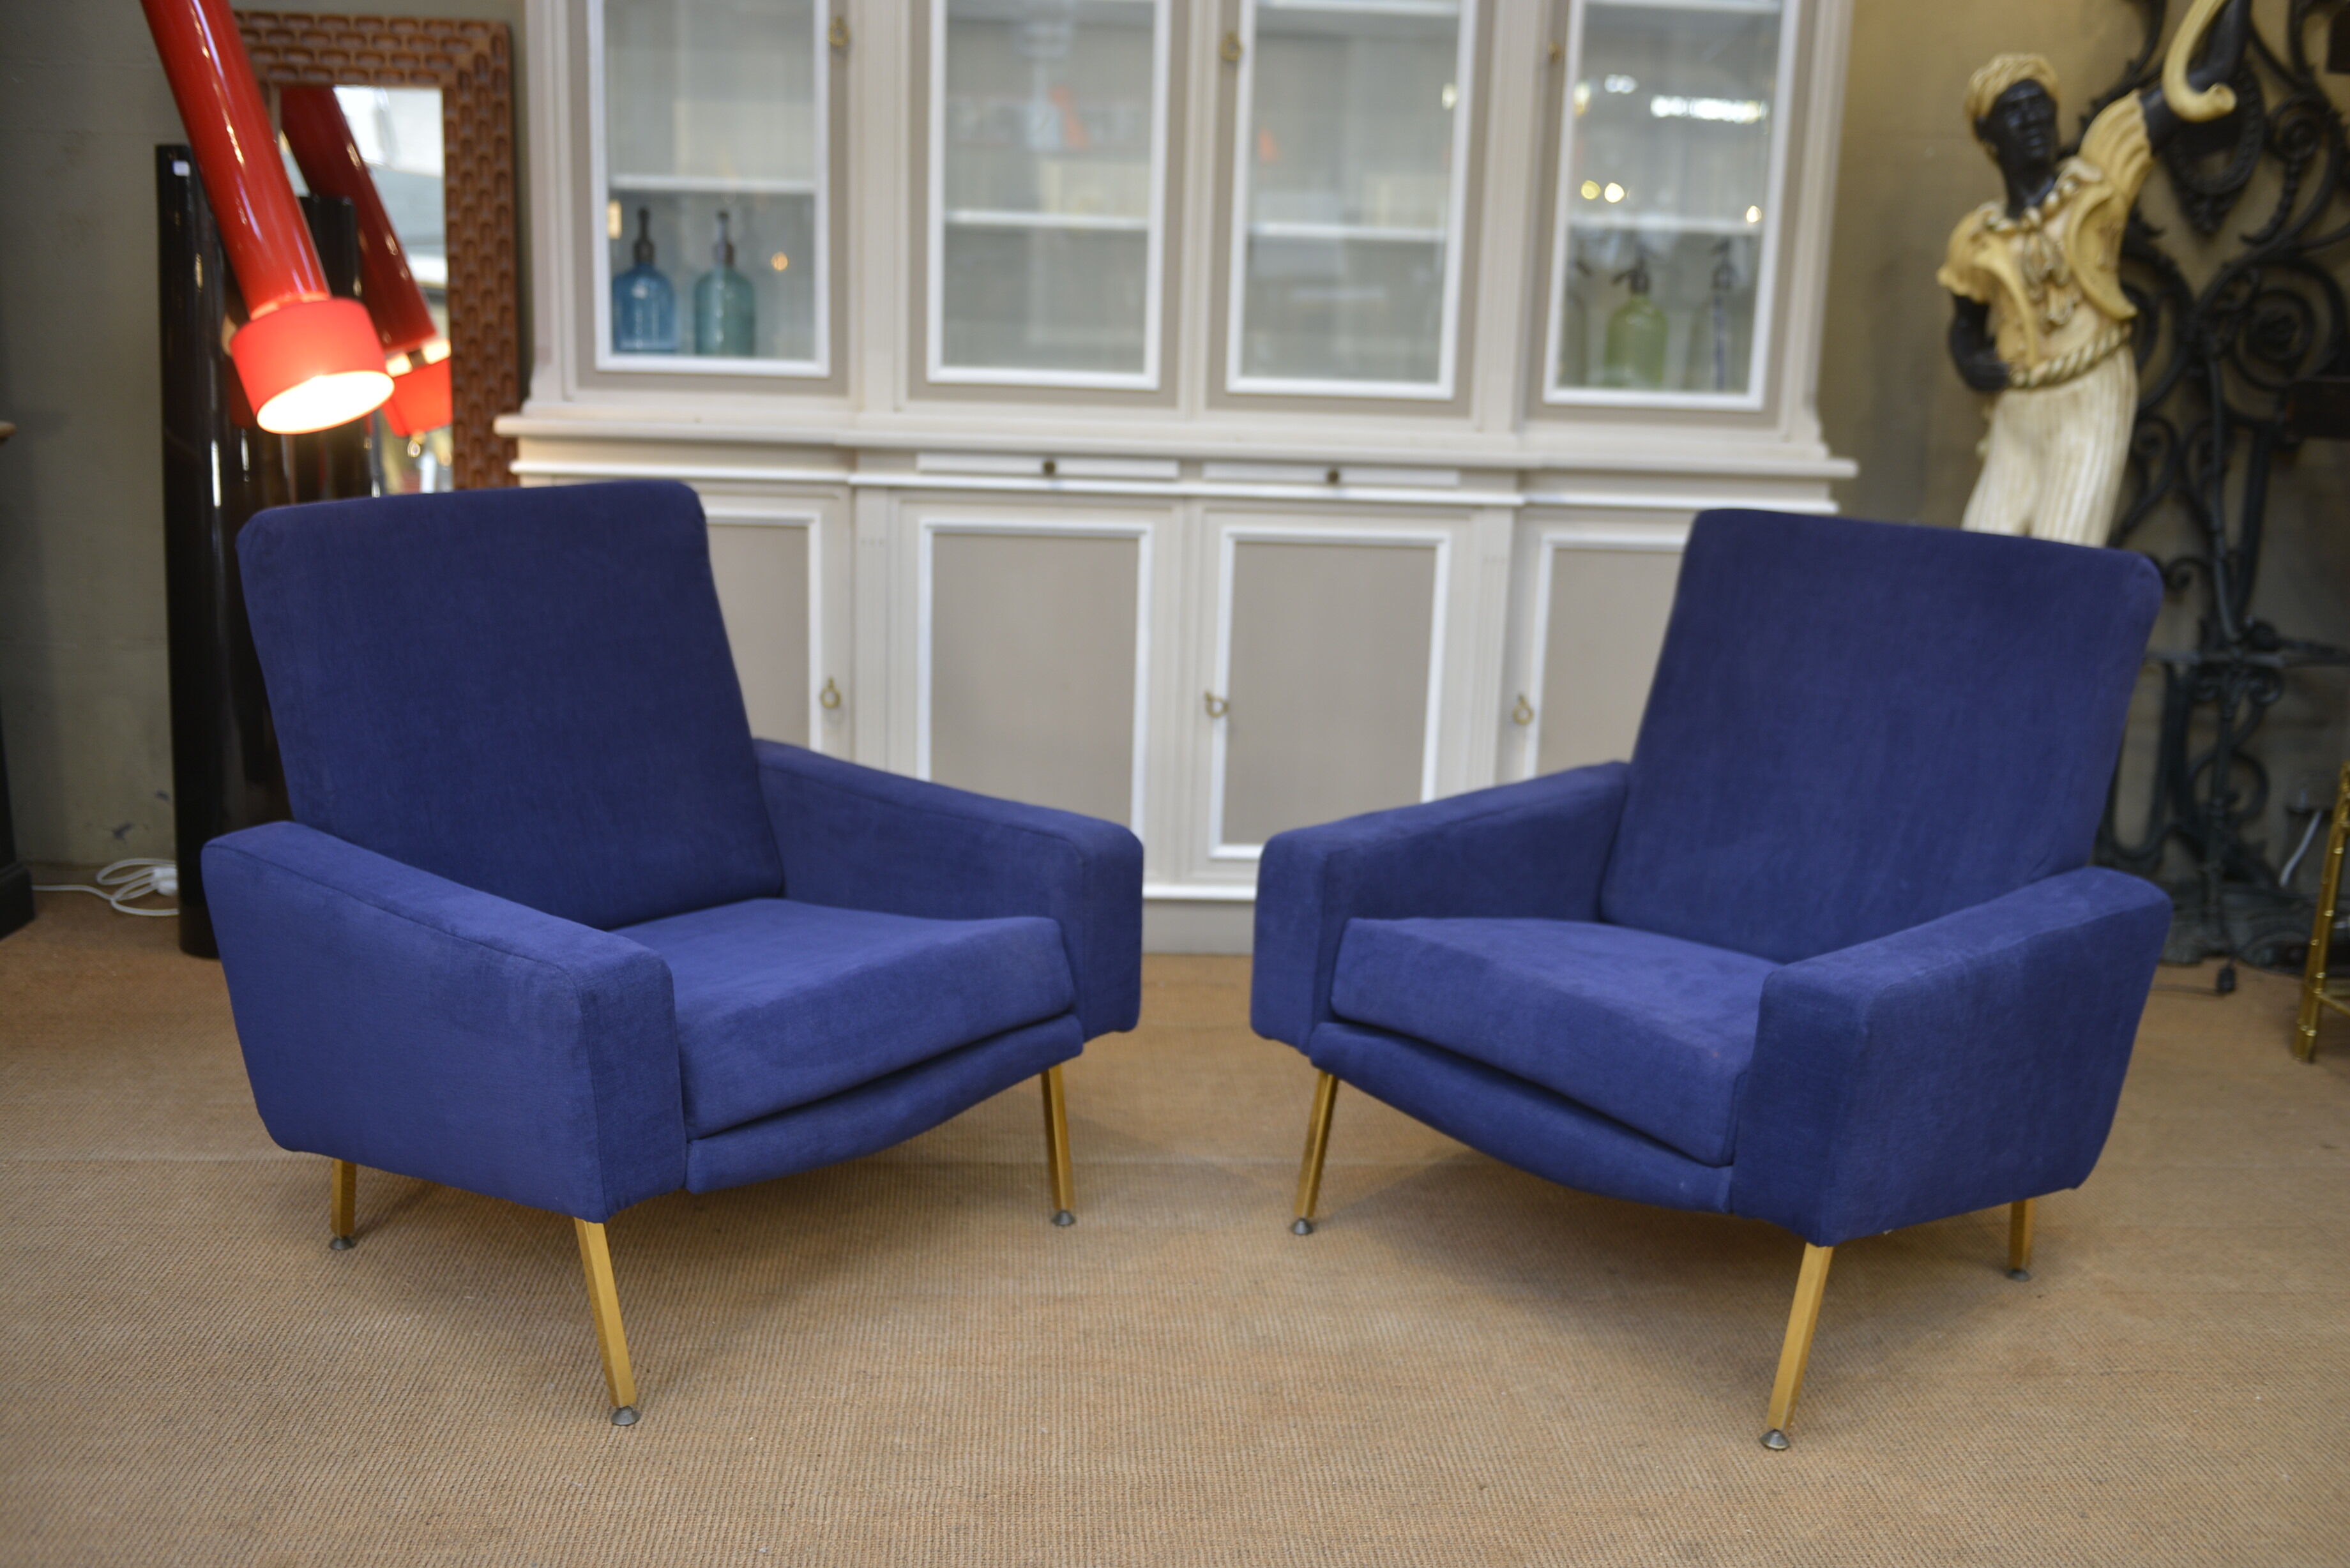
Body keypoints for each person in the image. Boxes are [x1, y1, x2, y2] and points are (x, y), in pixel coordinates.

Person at [1939, 0, 2250, 546]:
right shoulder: (1978, 237)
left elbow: (2210, 71)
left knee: (2066, 548)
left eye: (2042, 107)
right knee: (1983, 549)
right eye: (2015, 112)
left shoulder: (2098, 173)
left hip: (2092, 389)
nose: (2034, 120)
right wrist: (1968, 357)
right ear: (1987, 135)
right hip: (2017, 404)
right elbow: (1965, 323)